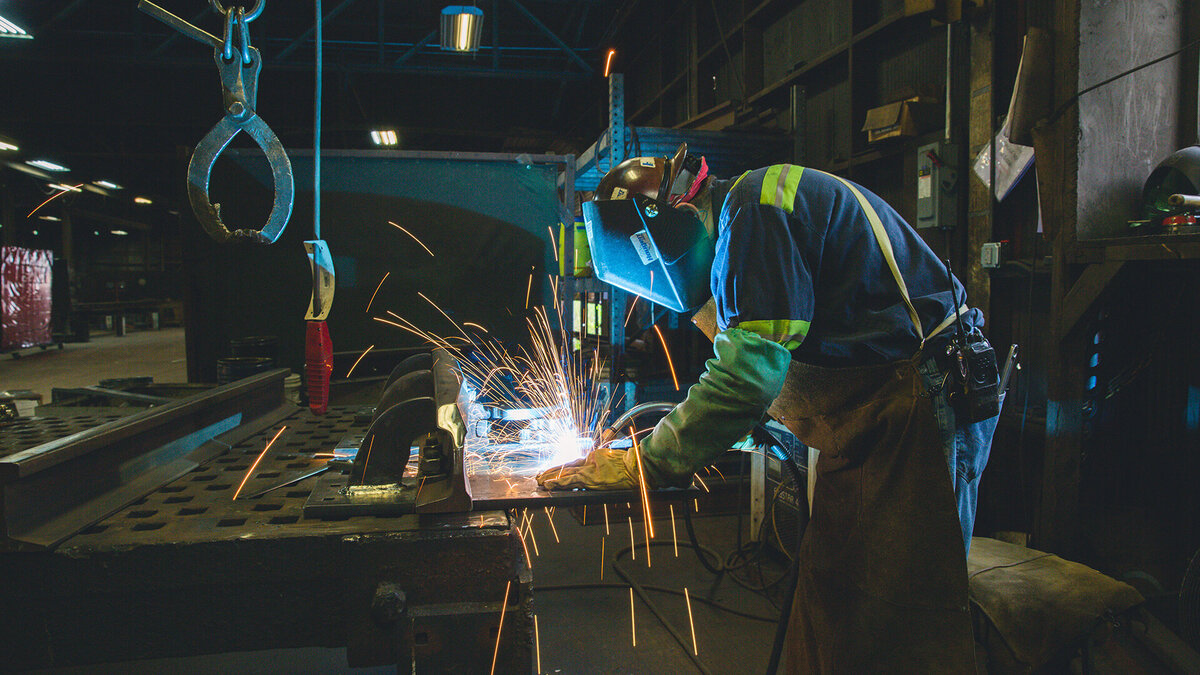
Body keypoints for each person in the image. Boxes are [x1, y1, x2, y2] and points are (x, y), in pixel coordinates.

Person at [536, 144, 1002, 673]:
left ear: (671, 230)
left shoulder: (755, 213)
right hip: (878, 416)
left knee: (898, 620)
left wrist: (647, 461)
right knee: (835, 593)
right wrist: (727, 431)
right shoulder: (743, 222)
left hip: (923, 406)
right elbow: (777, 369)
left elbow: (746, 376)